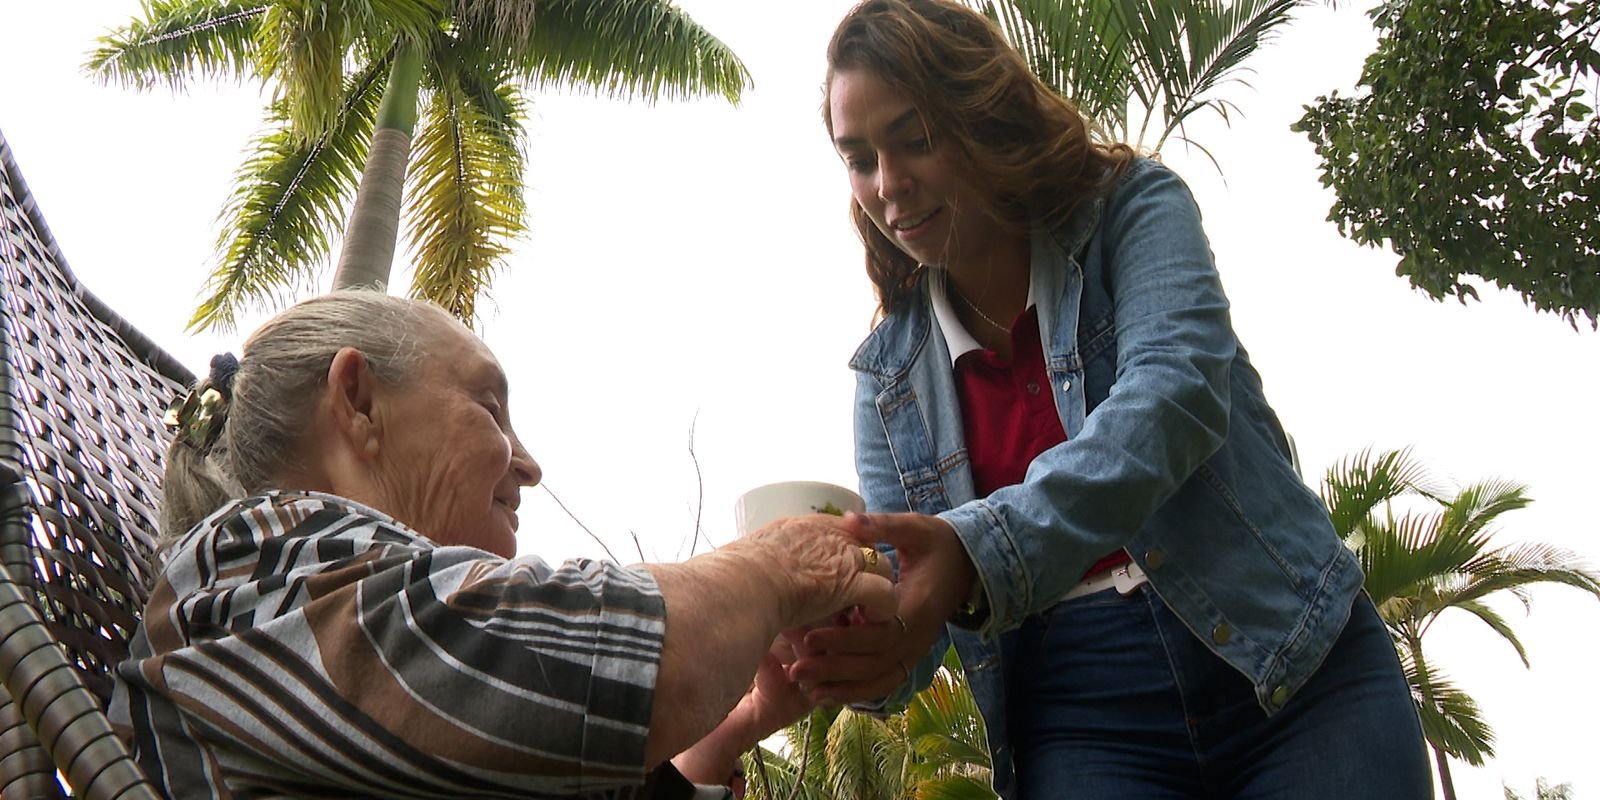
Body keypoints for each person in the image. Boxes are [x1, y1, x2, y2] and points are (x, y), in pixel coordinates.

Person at [785, 1, 1434, 797]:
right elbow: (913, 621)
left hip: (1289, 656)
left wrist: (975, 552)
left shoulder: (1133, 209)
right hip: (1083, 718)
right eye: (859, 158)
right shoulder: (887, 378)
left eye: (916, 138)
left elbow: (1176, 396)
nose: (888, 184)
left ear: (982, 113)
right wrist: (850, 648)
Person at [110, 291, 896, 799]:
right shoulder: (248, 566)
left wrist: (735, 721)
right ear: (358, 402)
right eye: (490, 407)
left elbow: (524, 731)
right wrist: (781, 565)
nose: (529, 462)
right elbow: (549, 652)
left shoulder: (316, 620)